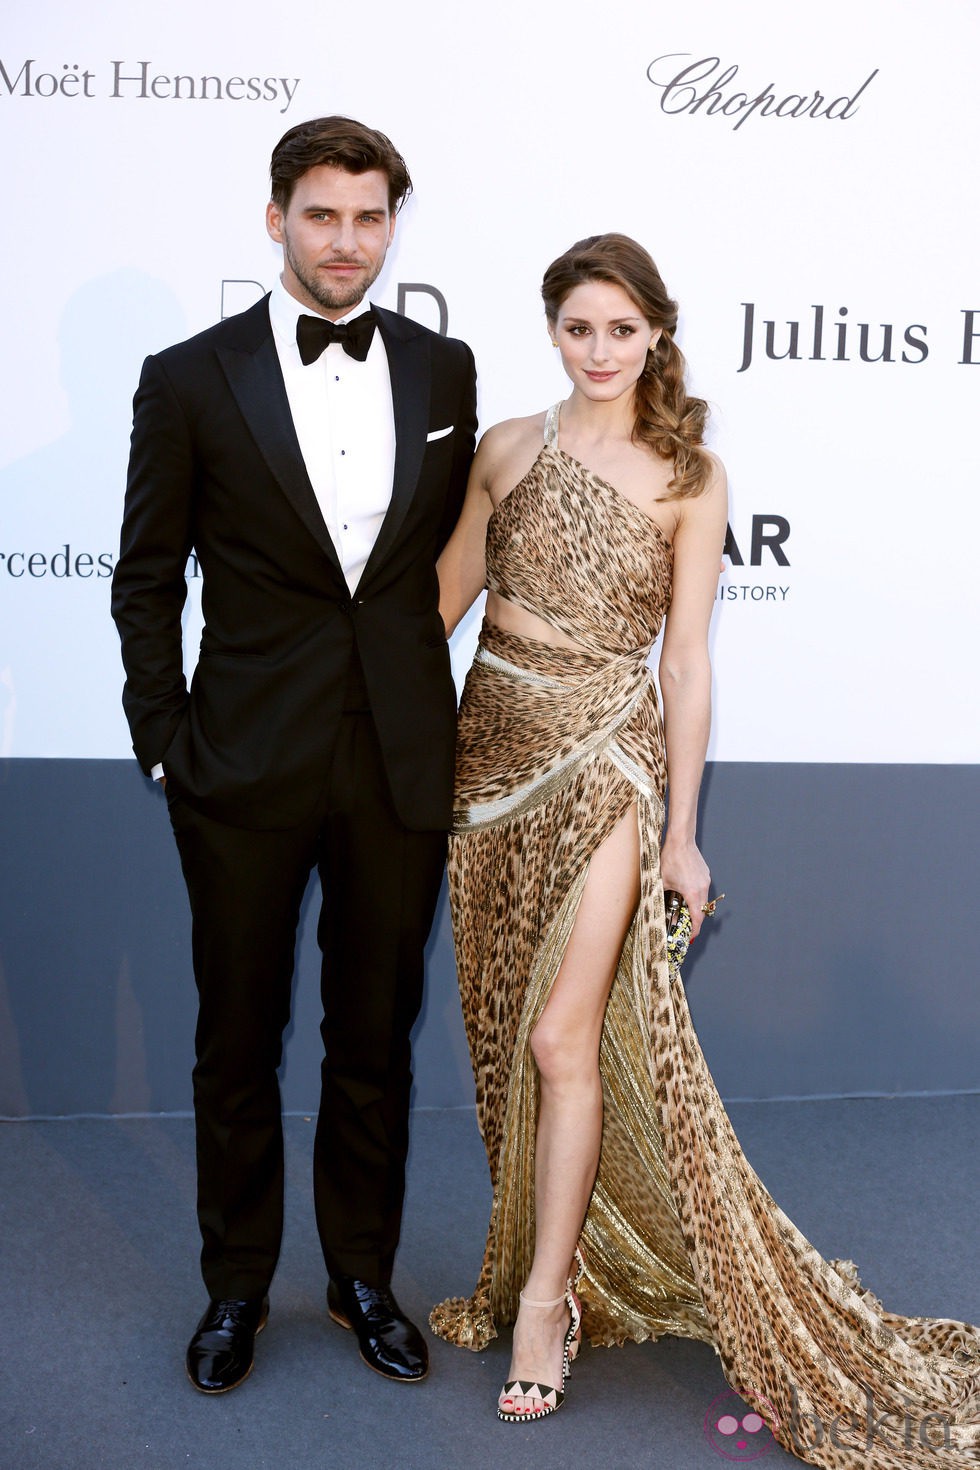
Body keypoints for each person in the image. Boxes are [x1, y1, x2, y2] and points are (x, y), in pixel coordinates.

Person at [430, 235, 980, 1462]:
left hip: (606, 766)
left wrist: (681, 834)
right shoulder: (507, 448)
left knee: (556, 1032)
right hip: (487, 766)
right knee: (503, 1032)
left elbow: (684, 659)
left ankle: (543, 1306)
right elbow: (440, 608)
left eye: (621, 331)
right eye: (579, 328)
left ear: (654, 337)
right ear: (552, 331)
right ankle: (557, 1257)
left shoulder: (690, 475)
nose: (599, 351)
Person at [111, 115, 477, 1394]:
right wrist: (165, 743)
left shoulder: (445, 369)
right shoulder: (190, 376)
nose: (346, 241)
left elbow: (434, 568)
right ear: (276, 219)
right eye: (322, 215)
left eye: (369, 217)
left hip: (395, 759)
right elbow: (147, 575)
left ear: (392, 226)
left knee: (374, 1033)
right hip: (242, 761)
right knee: (236, 1037)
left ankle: (361, 1278)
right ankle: (234, 1288)